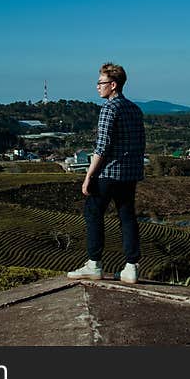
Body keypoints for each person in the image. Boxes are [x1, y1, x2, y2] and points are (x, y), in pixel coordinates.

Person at [68, 62, 146, 284]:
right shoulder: (134, 109)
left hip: (108, 173)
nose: (97, 87)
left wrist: (88, 176)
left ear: (113, 85)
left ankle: (94, 264)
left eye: (100, 83)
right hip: (130, 174)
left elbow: (102, 148)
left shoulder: (108, 109)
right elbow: (141, 143)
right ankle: (131, 267)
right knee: (127, 217)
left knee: (93, 213)